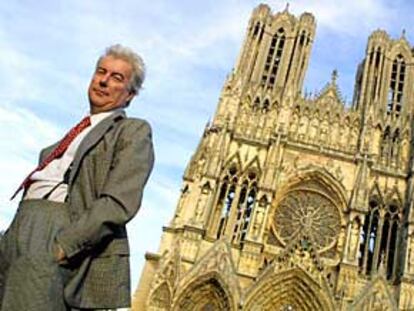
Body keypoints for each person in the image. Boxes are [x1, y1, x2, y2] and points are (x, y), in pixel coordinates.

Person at [0, 44, 154, 310]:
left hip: (56, 234)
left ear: (129, 95)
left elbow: (119, 201)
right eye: (101, 72)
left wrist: (64, 245)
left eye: (117, 77)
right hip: (18, 229)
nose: (104, 80)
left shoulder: (132, 131)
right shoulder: (65, 140)